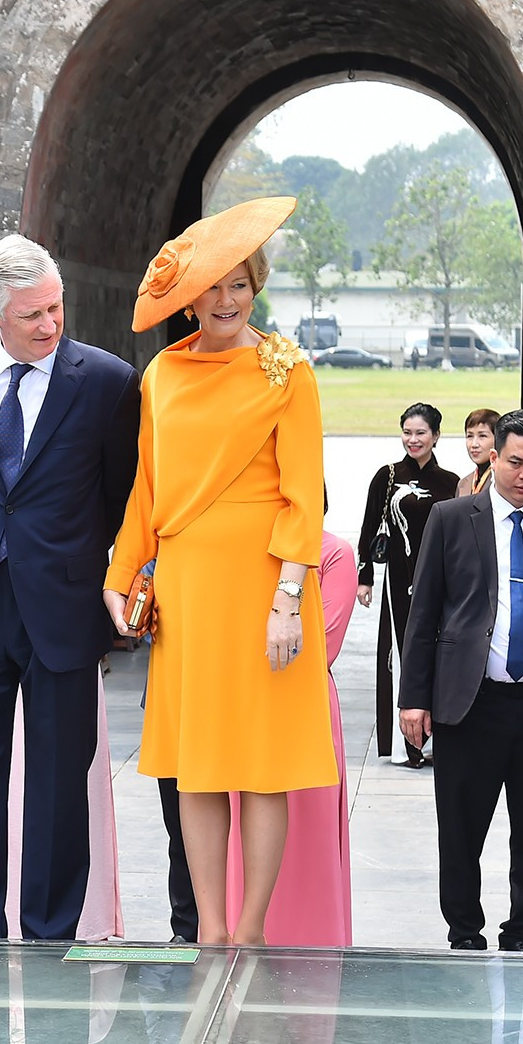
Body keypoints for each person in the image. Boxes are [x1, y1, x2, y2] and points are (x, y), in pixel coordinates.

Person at [103, 195, 337, 946]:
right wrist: (120, 575)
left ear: (256, 286)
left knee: (262, 766)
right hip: (190, 586)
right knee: (198, 766)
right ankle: (208, 929)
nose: (228, 299)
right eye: (213, 286)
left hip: (268, 583)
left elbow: (305, 497)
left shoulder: (288, 371)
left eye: (240, 283)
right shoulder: (162, 376)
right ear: (188, 297)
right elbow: (146, 486)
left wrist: (288, 599)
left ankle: (252, 929)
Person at [0, 233, 140, 940]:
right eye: (31, 314)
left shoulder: (106, 381)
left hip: (63, 609)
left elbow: (119, 493)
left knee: (56, 790)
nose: (49, 324)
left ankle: (50, 935)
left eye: (56, 307)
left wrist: (68, 558)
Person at [400, 410, 523, 951]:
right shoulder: (453, 518)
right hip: (468, 701)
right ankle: (463, 931)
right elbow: (424, 611)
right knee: (460, 830)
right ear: (494, 456)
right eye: (517, 462)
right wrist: (413, 699)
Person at [224, 518, 356, 946]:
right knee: (245, 830)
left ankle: (315, 950)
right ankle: (242, 936)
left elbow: (322, 642)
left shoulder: (333, 553)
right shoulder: (245, 546)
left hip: (305, 705)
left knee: (309, 844)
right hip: (247, 708)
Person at [356, 403, 460, 765]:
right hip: (398, 579)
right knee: (400, 651)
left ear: (436, 436)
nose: (413, 439)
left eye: (420, 433)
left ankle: (433, 742)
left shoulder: (451, 483)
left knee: (437, 651)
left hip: (440, 580)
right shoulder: (386, 477)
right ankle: (405, 745)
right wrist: (365, 577)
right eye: (407, 432)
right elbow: (370, 527)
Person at [455, 408, 499, 498]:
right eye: (469, 436)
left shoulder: (502, 482)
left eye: (482, 436)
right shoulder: (463, 483)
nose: (474, 444)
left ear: (497, 439)